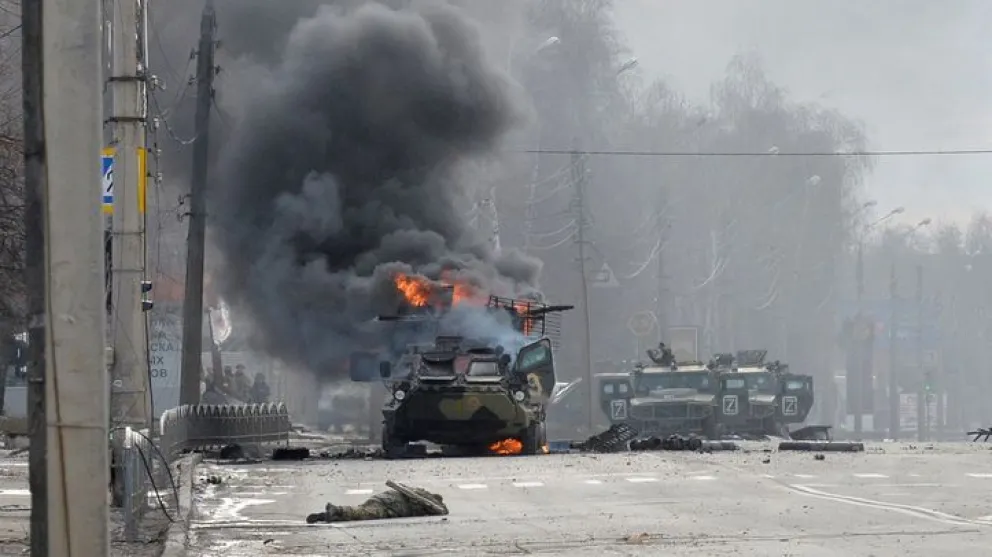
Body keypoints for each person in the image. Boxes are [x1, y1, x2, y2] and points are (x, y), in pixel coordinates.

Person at [306, 483, 448, 524]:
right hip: (389, 505)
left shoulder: (415, 492)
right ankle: (337, 509)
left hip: (383, 500)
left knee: (361, 512)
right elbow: (442, 510)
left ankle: (329, 515)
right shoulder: (423, 497)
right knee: (363, 512)